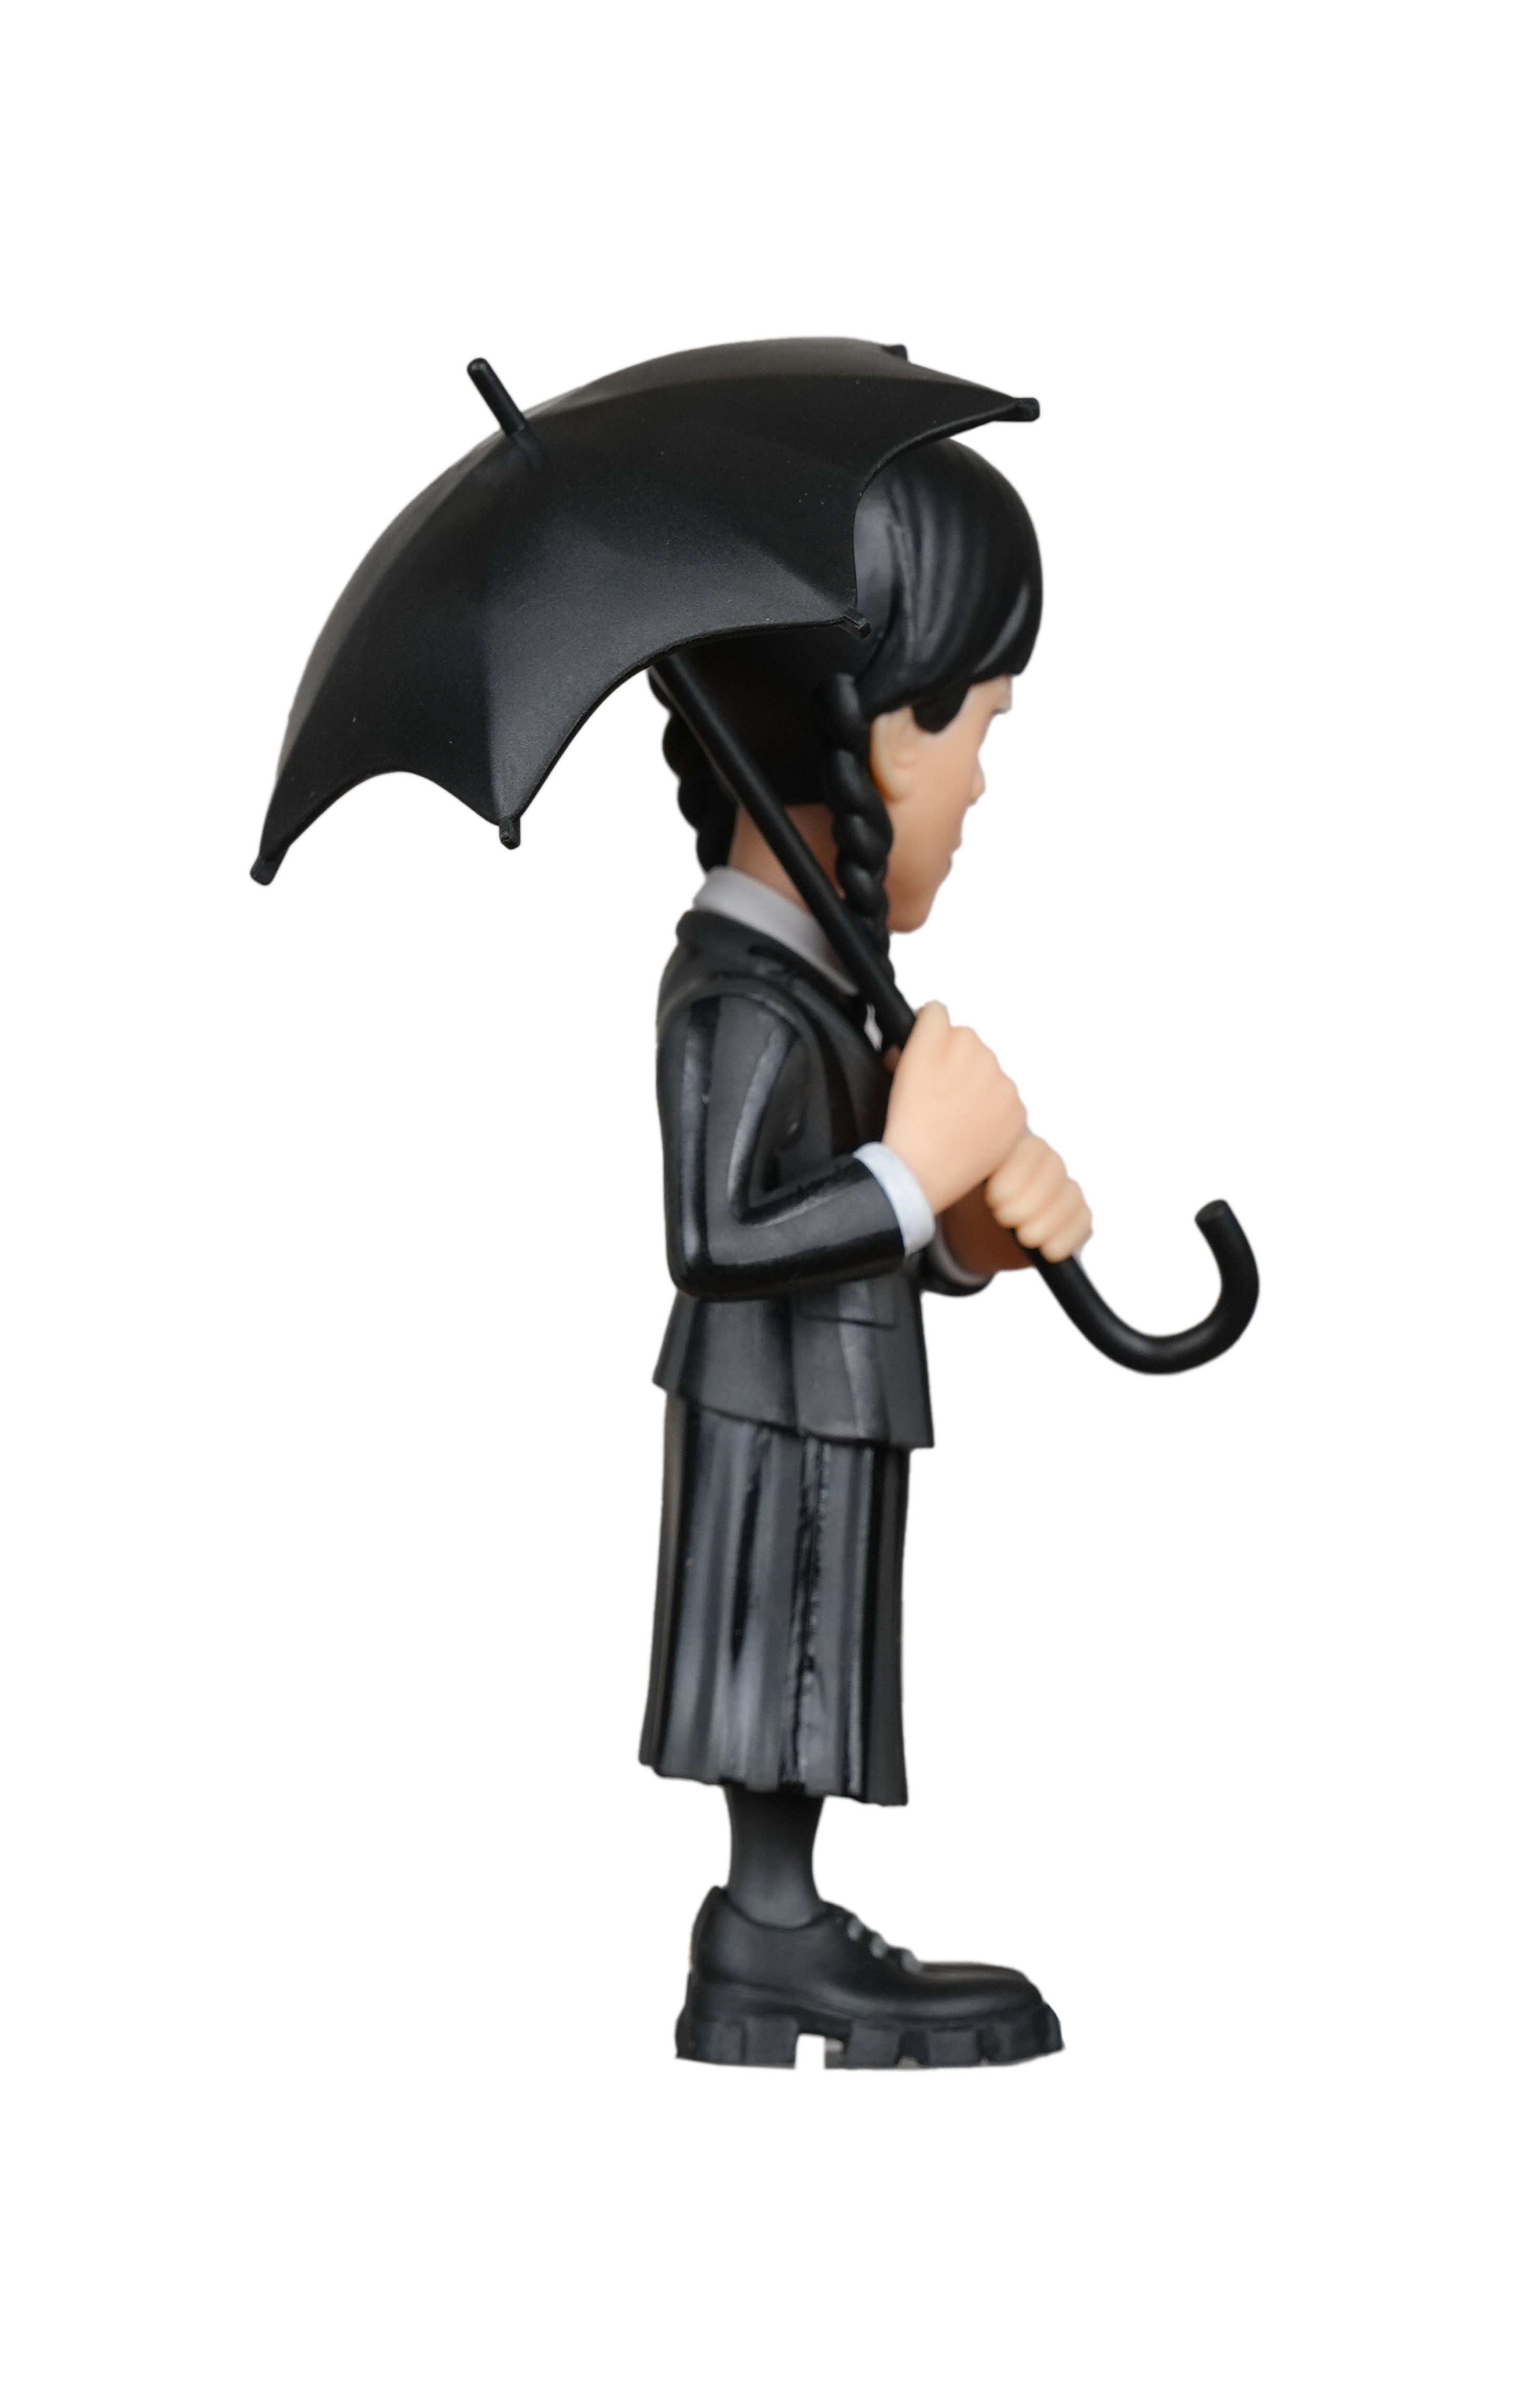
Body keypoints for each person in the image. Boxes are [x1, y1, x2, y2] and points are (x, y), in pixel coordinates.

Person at [642, 438, 1091, 2069]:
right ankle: (767, 1930)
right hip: (768, 1400)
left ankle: (780, 1923)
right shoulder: (736, 996)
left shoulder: (823, 991)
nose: (978, 791)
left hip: (826, 1392)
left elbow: (860, 1205)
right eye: (975, 736)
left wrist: (962, 1231)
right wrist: (915, 1170)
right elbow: (717, 1237)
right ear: (880, 733)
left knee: (820, 1652)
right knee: (777, 1651)